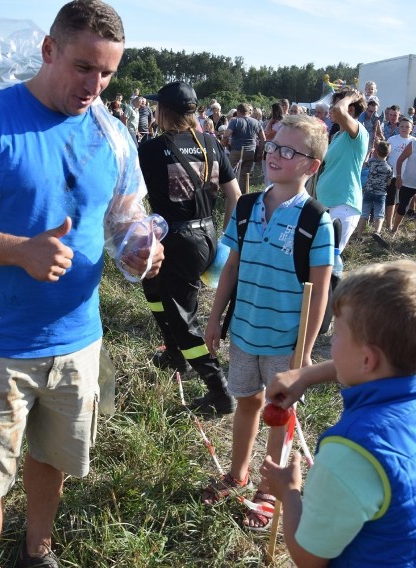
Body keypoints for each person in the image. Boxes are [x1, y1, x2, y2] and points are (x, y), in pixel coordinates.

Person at [0, 2, 164, 566]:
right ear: (49, 49)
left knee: (53, 456)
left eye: (107, 73)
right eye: (83, 67)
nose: (94, 85)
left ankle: (37, 552)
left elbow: (125, 217)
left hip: (78, 337)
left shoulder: (112, 133)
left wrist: (140, 245)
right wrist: (19, 251)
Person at [260, 259, 416, 567]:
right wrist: (307, 375)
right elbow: (374, 364)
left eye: (337, 333)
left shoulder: (352, 454)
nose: (332, 343)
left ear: (367, 359)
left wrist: (288, 493)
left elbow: (307, 558)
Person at [202, 115, 333, 531]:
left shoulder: (316, 221)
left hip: (285, 342)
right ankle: (238, 473)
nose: (275, 155)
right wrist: (214, 319)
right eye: (274, 146)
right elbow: (230, 270)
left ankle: (269, 488)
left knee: (279, 413)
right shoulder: (245, 207)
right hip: (243, 331)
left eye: (289, 151)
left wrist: (305, 351)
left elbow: (320, 291)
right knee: (247, 402)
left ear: (311, 166)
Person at [138, 81, 240, 414]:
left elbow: (129, 194)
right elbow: (235, 196)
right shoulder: (211, 143)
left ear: (162, 111)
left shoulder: (152, 149)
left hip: (176, 241)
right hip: (207, 235)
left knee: (184, 319)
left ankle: (219, 391)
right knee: (152, 286)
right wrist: (225, 238)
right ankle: (173, 351)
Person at [314, 88, 369, 251]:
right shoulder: (338, 136)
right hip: (327, 203)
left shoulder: (359, 133)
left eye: (335, 105)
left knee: (327, 259)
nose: (332, 110)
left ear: (349, 109)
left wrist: (351, 96)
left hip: (343, 205)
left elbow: (339, 110)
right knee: (317, 259)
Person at [224, 102, 265, 192]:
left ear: (238, 111)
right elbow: (263, 139)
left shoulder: (234, 120)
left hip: (236, 150)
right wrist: (260, 153)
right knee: (245, 174)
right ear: (248, 112)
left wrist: (225, 145)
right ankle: (243, 194)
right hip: (250, 151)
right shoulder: (256, 122)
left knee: (230, 172)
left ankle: (229, 193)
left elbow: (226, 135)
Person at [355, 140, 392, 240]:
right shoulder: (389, 168)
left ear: (376, 152)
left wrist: (368, 153)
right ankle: (377, 231)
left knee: (364, 213)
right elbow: (389, 182)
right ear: (388, 153)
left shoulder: (372, 162)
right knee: (379, 214)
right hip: (380, 193)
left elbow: (363, 164)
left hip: (368, 191)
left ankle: (359, 235)